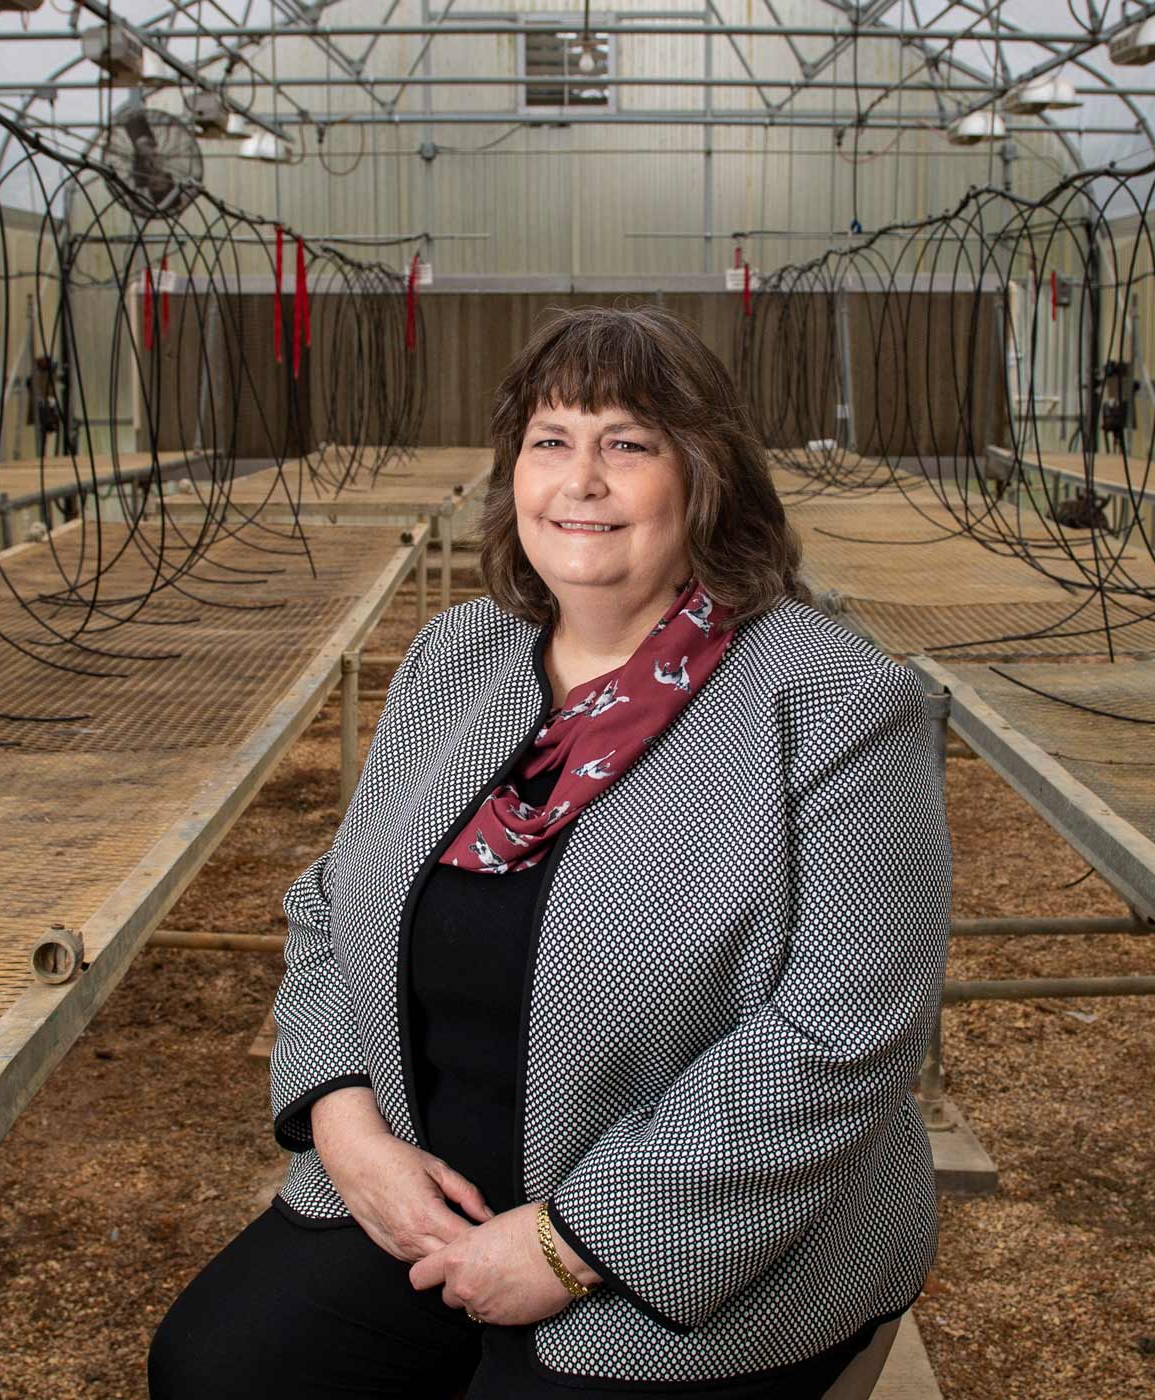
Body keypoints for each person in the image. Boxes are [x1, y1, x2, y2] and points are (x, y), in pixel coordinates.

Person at [149, 306, 952, 1397]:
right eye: (550, 440)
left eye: (627, 442)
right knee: (217, 1369)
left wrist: (567, 1245)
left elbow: (847, 1030)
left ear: (706, 477)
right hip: (432, 1179)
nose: (581, 479)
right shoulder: (456, 659)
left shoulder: (833, 701)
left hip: (707, 1232)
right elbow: (336, 905)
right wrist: (351, 1138)